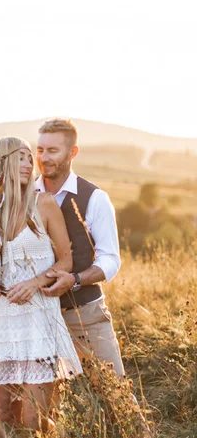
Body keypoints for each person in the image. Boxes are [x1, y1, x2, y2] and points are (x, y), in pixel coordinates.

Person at [0, 136, 82, 438]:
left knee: (35, 420)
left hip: (37, 320)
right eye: (20, 158)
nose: (29, 163)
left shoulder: (43, 204)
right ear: (1, 164)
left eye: (29, 158)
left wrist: (35, 283)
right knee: (5, 413)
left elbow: (66, 260)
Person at [35, 118, 126, 377]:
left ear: (72, 152)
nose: (44, 157)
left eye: (53, 150)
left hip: (85, 313)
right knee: (45, 402)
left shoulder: (95, 198)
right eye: (40, 150)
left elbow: (110, 259)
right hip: (37, 316)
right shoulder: (26, 194)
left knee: (114, 392)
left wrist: (75, 280)